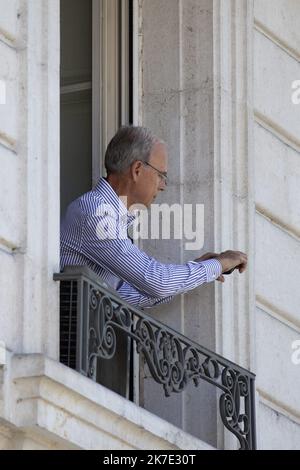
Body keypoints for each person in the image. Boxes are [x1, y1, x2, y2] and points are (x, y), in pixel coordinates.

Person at [60, 126, 247, 308]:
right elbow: (157, 281)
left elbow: (128, 296)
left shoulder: (106, 215)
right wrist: (218, 264)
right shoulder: (94, 212)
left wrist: (202, 268)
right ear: (137, 170)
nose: (163, 186)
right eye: (160, 175)